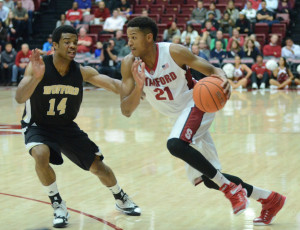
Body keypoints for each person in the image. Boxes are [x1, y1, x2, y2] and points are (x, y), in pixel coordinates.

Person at [120, 16, 286, 226]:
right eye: (128, 38)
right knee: (209, 178)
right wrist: (139, 85)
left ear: (149, 37)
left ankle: (230, 189)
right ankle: (270, 199)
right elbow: (126, 110)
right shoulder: (129, 64)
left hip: (198, 103)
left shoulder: (173, 52)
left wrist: (223, 79)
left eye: (133, 37)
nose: (129, 42)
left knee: (175, 144)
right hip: (180, 117)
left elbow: (211, 70)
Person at [14, 25, 140, 228]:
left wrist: (137, 89)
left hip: (66, 126)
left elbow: (113, 84)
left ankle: (120, 197)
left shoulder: (81, 71)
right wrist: (36, 78)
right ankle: (58, 205)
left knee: (98, 167)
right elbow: (19, 97)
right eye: (67, 42)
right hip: (38, 125)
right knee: (40, 153)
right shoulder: (39, 67)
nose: (73, 45)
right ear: (54, 45)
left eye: (75, 41)